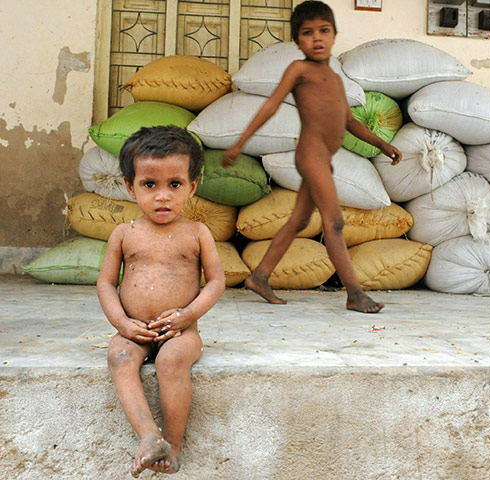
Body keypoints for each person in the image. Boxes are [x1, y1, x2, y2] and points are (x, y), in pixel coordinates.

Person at [222, 0, 402, 314]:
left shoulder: (335, 79)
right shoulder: (299, 69)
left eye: (324, 30)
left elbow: (350, 122)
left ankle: (260, 276)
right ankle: (355, 293)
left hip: (324, 158)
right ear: (297, 41)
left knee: (300, 220)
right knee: (334, 223)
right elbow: (270, 106)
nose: (317, 38)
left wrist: (382, 145)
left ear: (334, 35)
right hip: (311, 155)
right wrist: (240, 142)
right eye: (307, 33)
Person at [97, 126, 225, 477]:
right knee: (119, 356)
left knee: (170, 362)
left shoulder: (197, 233)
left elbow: (216, 282)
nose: (163, 196)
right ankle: (149, 436)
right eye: (149, 185)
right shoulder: (124, 234)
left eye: (175, 184)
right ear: (129, 186)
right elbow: (107, 284)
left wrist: (188, 315)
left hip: (181, 334)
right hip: (134, 330)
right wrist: (122, 324)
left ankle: (174, 443)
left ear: (193, 185)